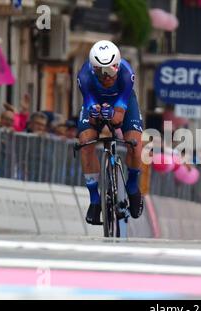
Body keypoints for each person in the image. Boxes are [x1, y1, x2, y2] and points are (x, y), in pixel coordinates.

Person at [77, 40, 143, 225]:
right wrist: (96, 113)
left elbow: (118, 119)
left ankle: (132, 187)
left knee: (135, 145)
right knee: (86, 143)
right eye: (101, 71)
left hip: (123, 103)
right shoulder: (84, 76)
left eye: (111, 70)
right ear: (93, 69)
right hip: (95, 102)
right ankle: (94, 201)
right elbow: (91, 117)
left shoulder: (127, 73)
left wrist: (113, 113)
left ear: (118, 65)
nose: (107, 77)